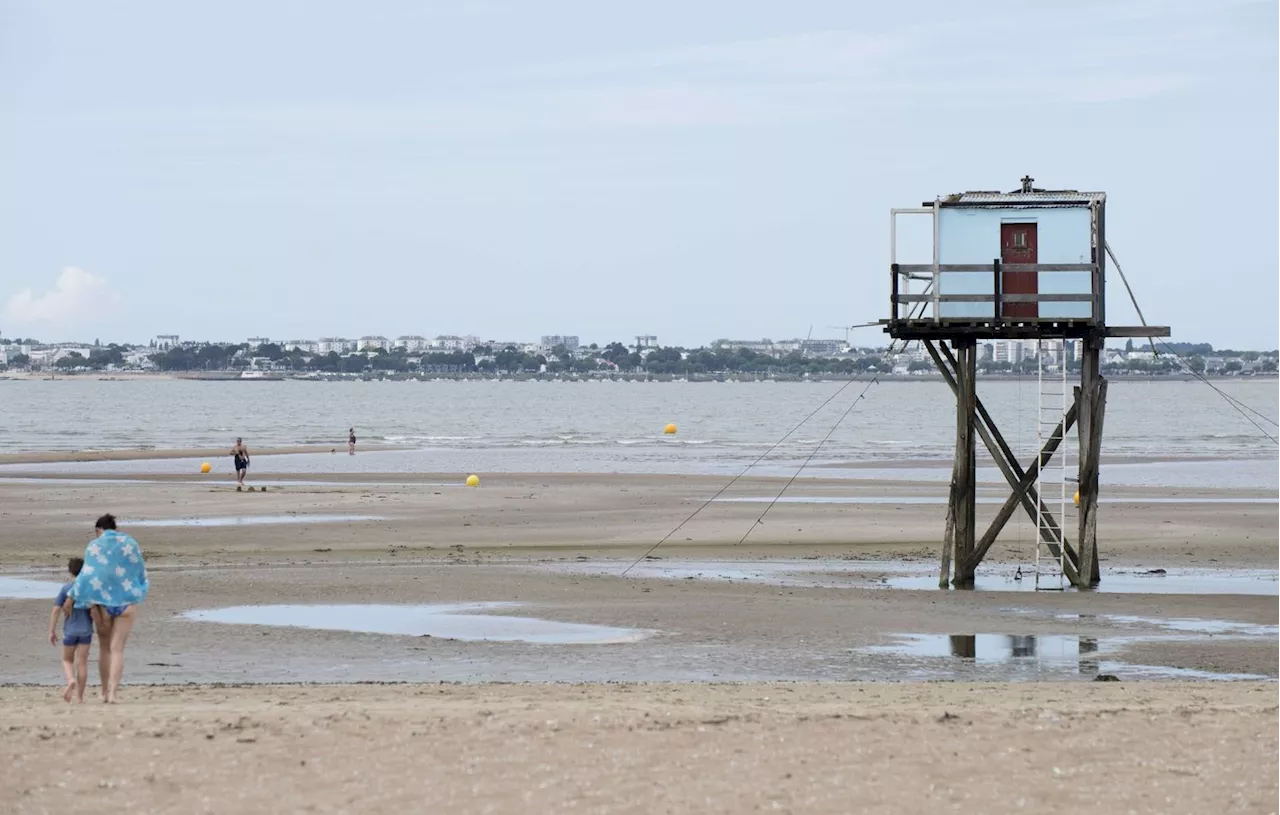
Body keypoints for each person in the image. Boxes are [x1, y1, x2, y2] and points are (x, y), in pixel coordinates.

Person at [64, 514, 149, 704]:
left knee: (105, 648)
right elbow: (140, 571)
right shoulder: (130, 544)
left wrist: (72, 597)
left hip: (102, 605)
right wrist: (140, 589)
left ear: (98, 530)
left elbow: (87, 576)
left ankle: (103, 692)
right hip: (126, 602)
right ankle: (113, 694)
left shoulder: (94, 546)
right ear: (115, 528)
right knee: (117, 649)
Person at [50, 557, 93, 703]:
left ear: (70, 572)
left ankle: (70, 680)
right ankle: (80, 697)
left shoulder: (66, 589)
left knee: (67, 659)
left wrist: (52, 630)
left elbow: (56, 610)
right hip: (86, 631)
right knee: (82, 663)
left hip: (70, 631)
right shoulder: (88, 589)